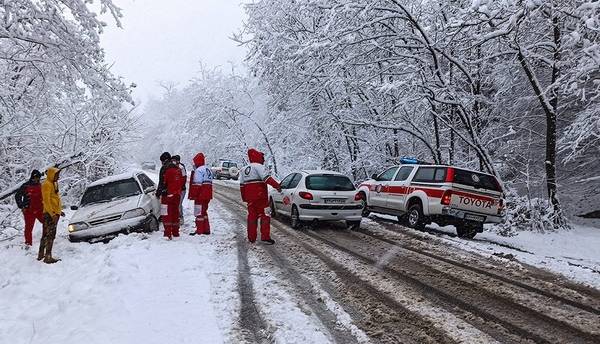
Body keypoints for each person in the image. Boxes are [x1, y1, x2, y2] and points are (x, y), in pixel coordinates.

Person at [239, 148, 281, 244]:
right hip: (261, 197)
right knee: (265, 215)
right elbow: (267, 179)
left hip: (250, 198)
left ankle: (251, 237)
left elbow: (242, 185)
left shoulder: (244, 169)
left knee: (252, 217)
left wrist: (244, 198)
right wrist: (277, 186)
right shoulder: (259, 167)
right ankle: (265, 237)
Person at [38, 167, 64, 263]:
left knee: (46, 234)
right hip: (49, 214)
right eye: (56, 174)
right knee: (50, 235)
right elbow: (46, 201)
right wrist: (53, 214)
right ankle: (47, 257)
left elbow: (55, 199)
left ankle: (41, 255)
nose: (58, 176)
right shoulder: (46, 185)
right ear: (51, 174)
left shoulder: (54, 184)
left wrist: (59, 211)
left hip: (53, 213)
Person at [14, 170, 43, 247]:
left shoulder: (40, 185)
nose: (38, 180)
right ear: (33, 177)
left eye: (39, 178)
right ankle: (28, 244)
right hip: (28, 210)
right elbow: (17, 196)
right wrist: (21, 206)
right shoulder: (25, 186)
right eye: (37, 178)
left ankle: (46, 239)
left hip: (40, 209)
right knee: (29, 228)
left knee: (46, 223)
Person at [188, 153, 213, 236]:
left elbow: (197, 184)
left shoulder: (199, 170)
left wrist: (193, 195)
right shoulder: (208, 169)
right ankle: (206, 229)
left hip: (200, 195)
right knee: (204, 212)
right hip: (208, 195)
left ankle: (200, 230)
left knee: (199, 212)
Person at [161, 159, 185, 240]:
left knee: (166, 214)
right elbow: (182, 182)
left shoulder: (167, 171)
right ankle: (176, 232)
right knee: (175, 212)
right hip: (177, 195)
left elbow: (164, 183)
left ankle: (167, 233)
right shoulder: (178, 170)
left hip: (169, 194)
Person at [172, 155, 187, 225]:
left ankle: (180, 217)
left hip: (181, 189)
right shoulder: (173, 167)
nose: (173, 162)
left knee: (179, 204)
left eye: (174, 160)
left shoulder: (181, 168)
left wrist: (179, 187)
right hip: (175, 189)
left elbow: (184, 178)